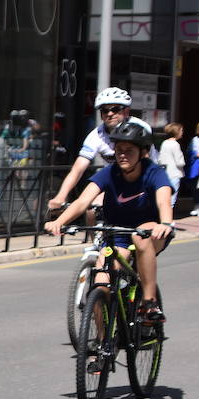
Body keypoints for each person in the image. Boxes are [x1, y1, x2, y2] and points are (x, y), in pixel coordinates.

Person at [44, 121, 172, 324]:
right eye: (119, 150)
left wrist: (165, 223)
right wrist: (59, 221)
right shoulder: (109, 173)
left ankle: (149, 302)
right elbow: (83, 201)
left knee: (140, 236)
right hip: (118, 235)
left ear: (143, 152)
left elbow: (164, 201)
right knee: (100, 285)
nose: (122, 155)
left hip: (151, 231)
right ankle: (103, 347)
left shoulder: (154, 173)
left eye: (129, 150)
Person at [48, 86, 156, 214]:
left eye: (115, 109)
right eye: (104, 110)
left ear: (126, 111)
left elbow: (145, 162)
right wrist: (61, 195)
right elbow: (78, 168)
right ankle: (97, 234)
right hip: (115, 181)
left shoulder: (140, 128)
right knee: (91, 209)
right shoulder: (96, 135)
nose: (109, 114)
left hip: (143, 180)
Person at [158, 122, 186, 209]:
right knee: (172, 196)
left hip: (165, 172)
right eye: (181, 130)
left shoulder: (164, 143)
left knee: (165, 195)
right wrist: (183, 163)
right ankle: (168, 216)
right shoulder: (175, 144)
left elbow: (160, 159)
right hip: (175, 173)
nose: (182, 132)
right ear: (176, 132)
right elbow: (179, 162)